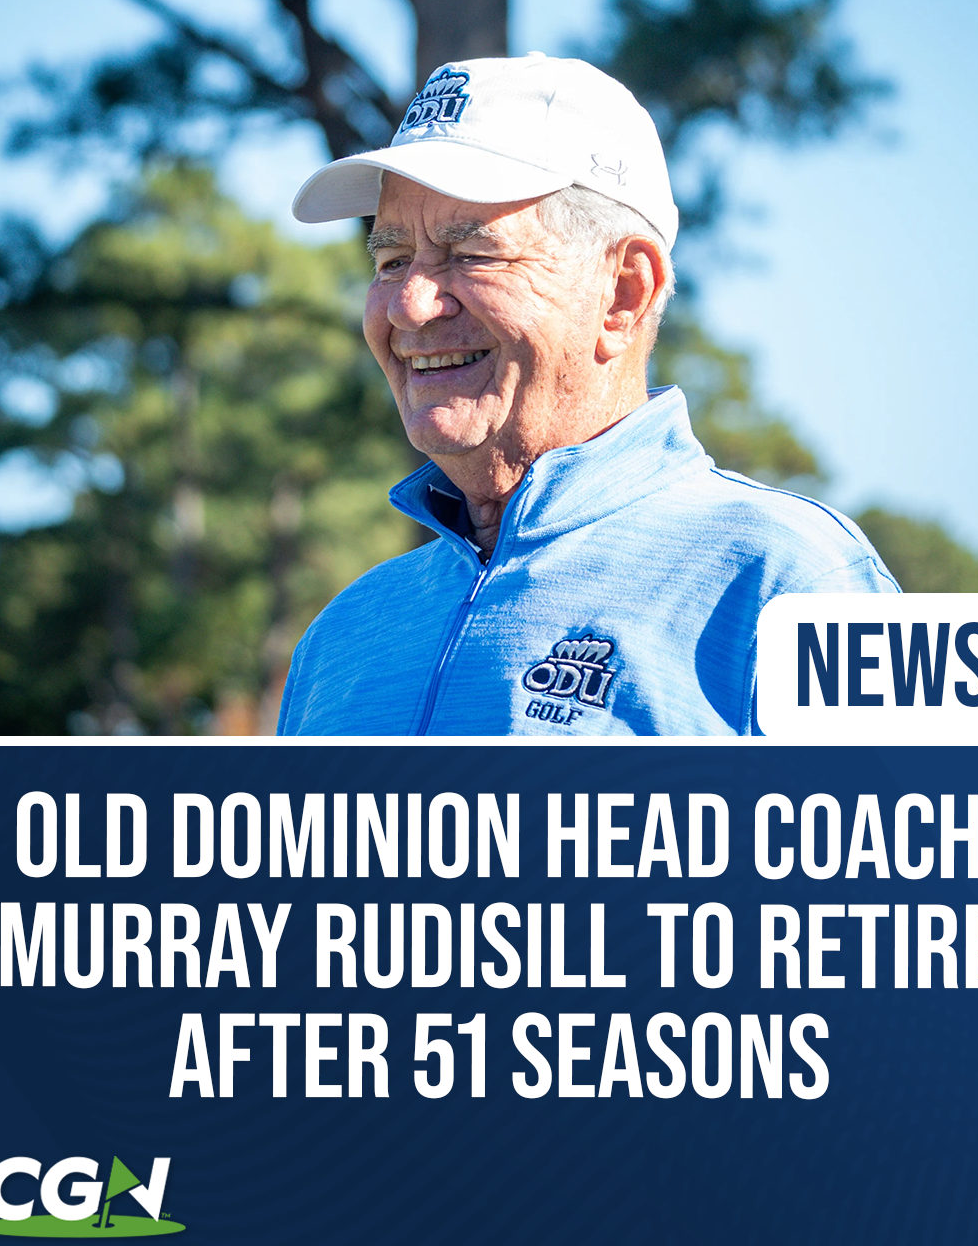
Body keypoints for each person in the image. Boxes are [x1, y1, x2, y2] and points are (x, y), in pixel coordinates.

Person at [278, 53, 897, 737]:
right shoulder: (343, 638)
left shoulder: (788, 584)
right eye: (392, 261)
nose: (410, 305)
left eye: (472, 254)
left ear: (624, 293)